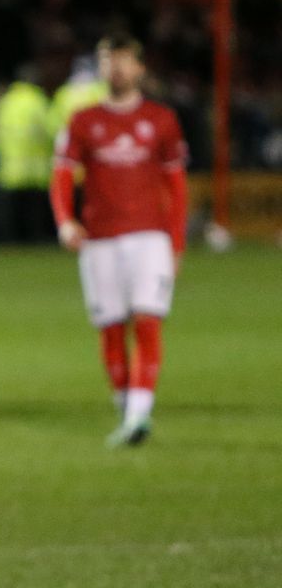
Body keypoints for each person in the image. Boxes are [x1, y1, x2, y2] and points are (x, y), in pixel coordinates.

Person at [50, 33, 188, 447]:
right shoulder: (83, 120)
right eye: (109, 60)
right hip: (100, 240)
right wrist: (65, 221)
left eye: (125, 61)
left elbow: (176, 186)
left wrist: (176, 243)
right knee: (111, 329)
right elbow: (61, 175)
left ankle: (139, 416)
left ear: (140, 68)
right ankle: (127, 409)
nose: (117, 68)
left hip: (149, 238)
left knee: (147, 321)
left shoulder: (161, 119)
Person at [0, 64, 55, 243]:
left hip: (10, 167)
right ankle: (35, 240)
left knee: (10, 213)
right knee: (34, 214)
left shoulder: (6, 101)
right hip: (35, 168)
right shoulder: (37, 100)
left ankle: (8, 242)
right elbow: (49, 130)